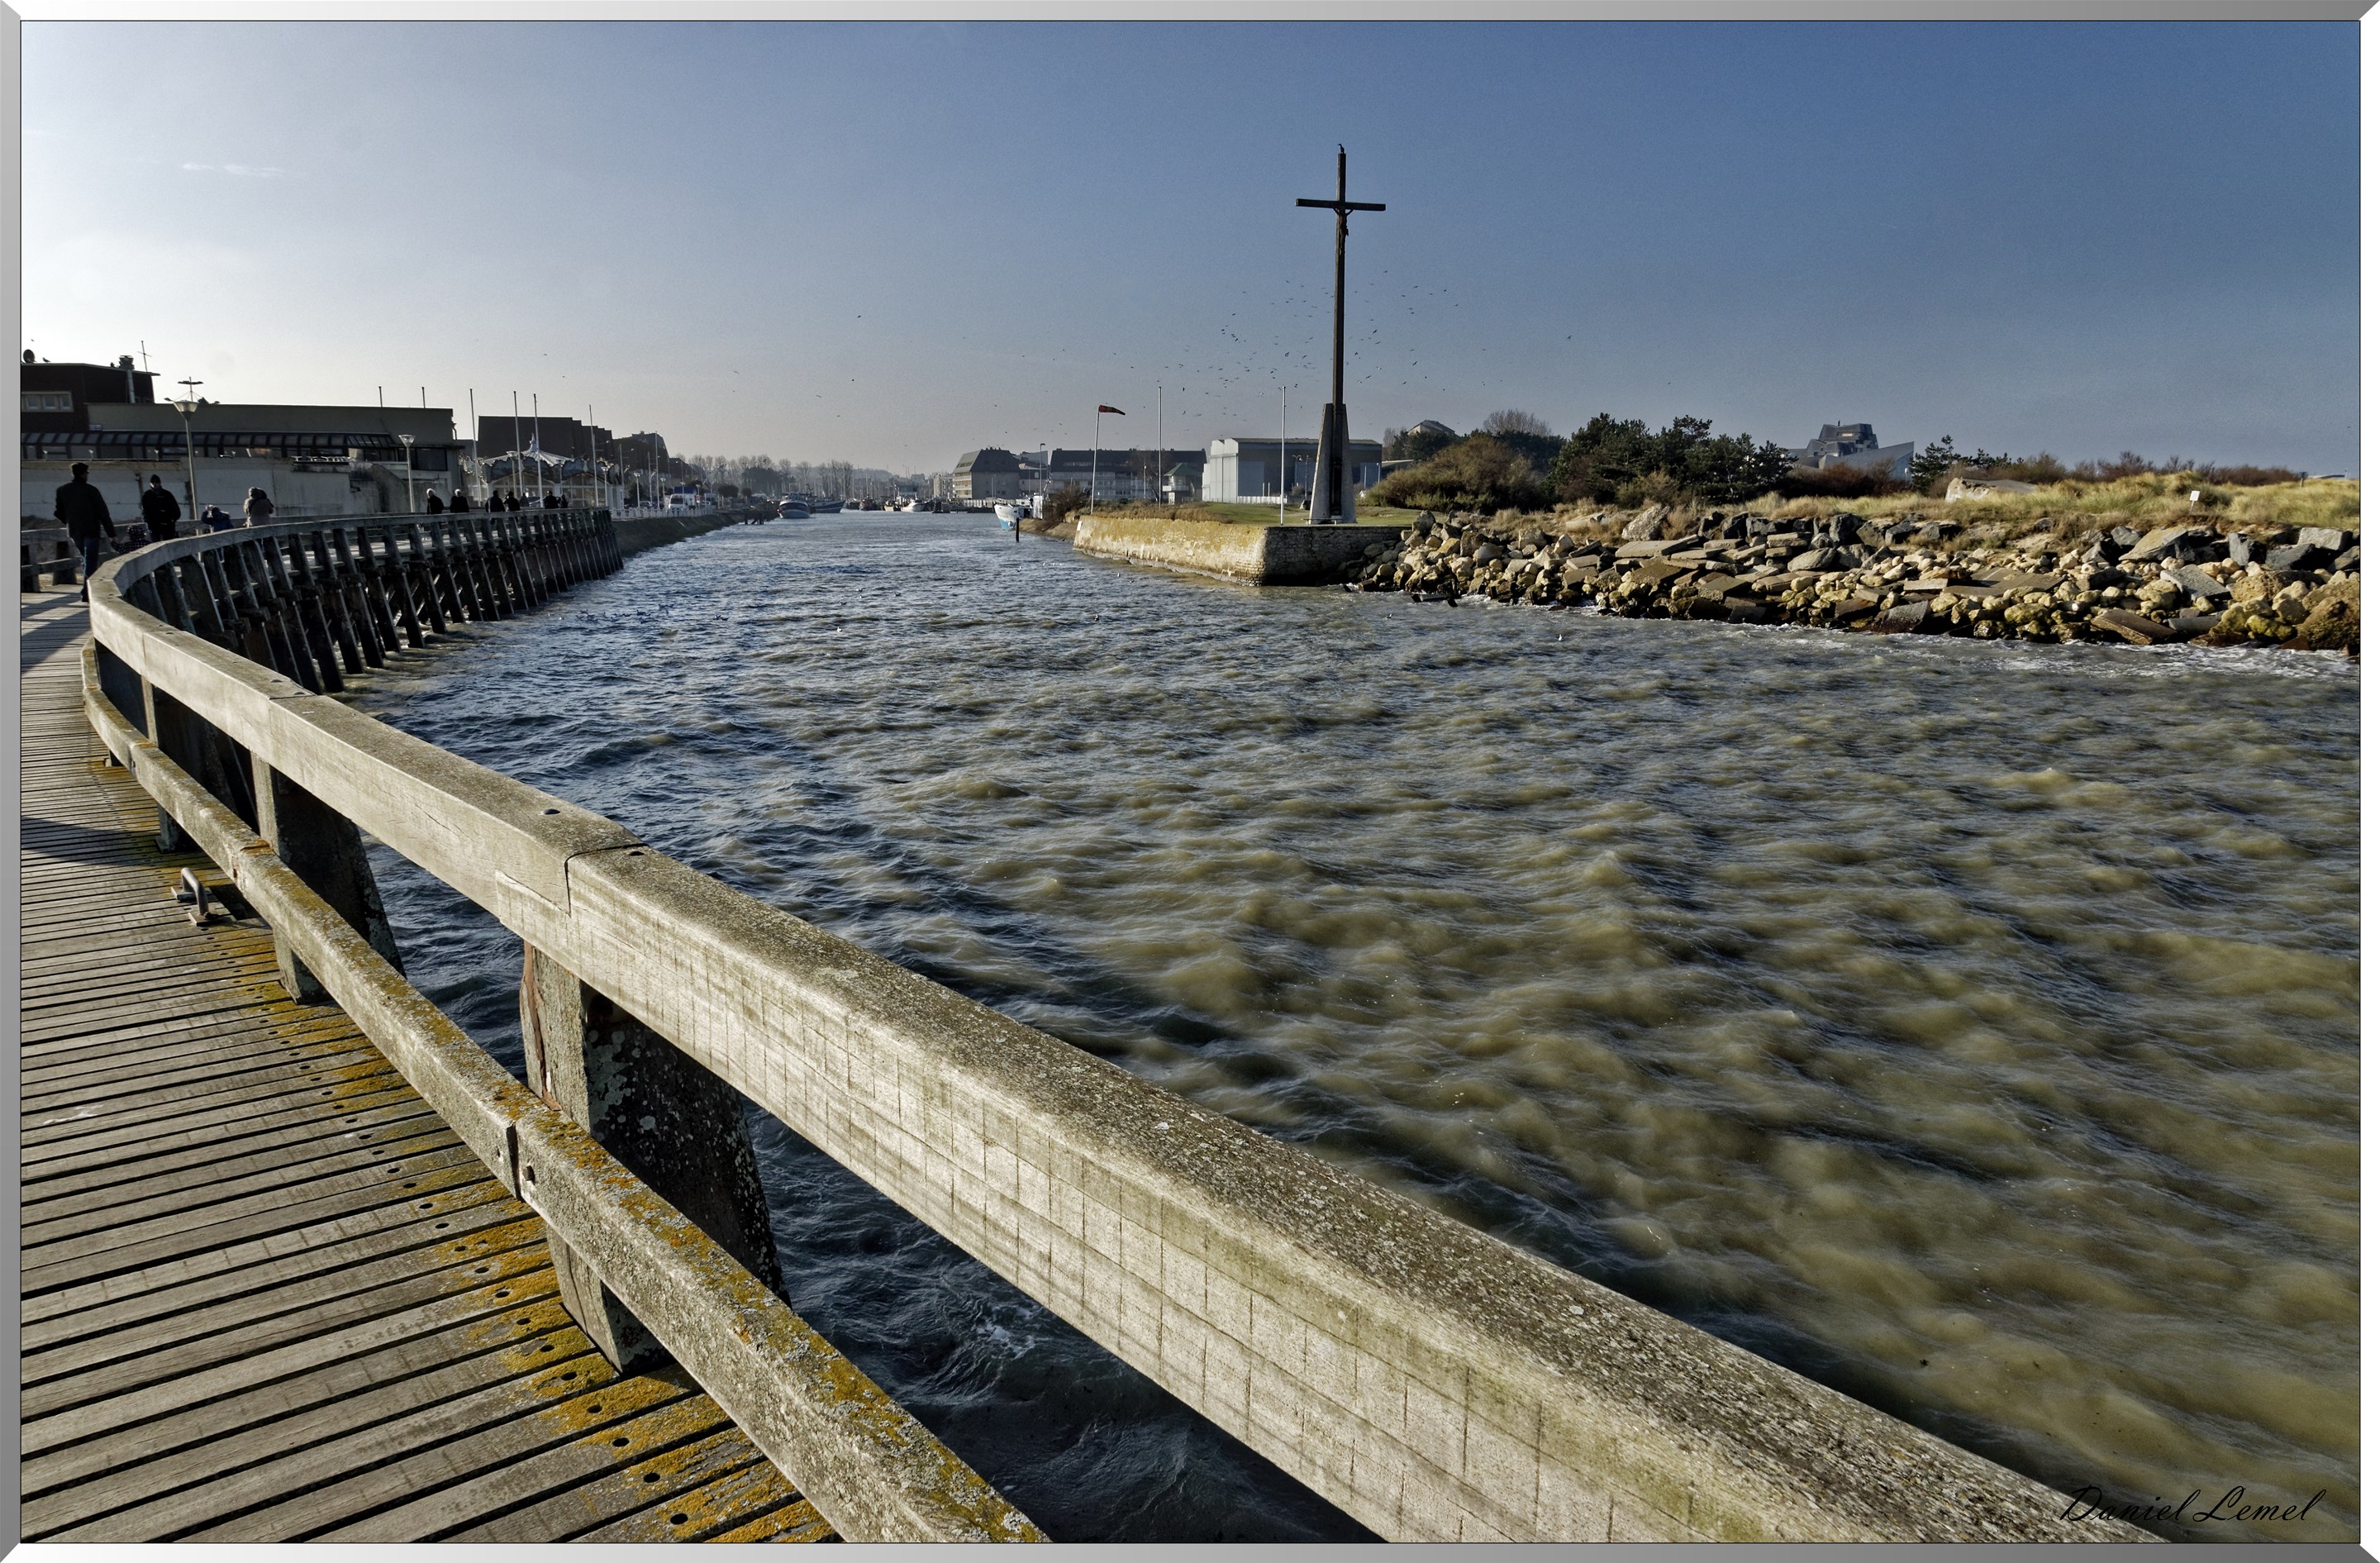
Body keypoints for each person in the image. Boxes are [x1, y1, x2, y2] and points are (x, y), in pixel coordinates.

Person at [54, 461, 116, 601]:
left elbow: (58, 512)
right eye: (87, 473)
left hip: (75, 531)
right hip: (91, 530)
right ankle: (87, 592)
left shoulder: (62, 490)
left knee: (85, 560)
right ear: (84, 473)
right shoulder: (91, 490)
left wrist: (69, 522)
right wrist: (112, 534)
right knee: (90, 561)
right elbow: (103, 513)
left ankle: (87, 591)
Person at [139, 474, 182, 541]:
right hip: (154, 526)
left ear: (159, 483)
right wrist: (148, 523)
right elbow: (145, 511)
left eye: (156, 482)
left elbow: (175, 509)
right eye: (153, 482)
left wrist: (172, 520)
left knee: (168, 544)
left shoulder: (167, 494)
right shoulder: (147, 495)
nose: (155, 484)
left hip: (168, 526)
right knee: (156, 545)